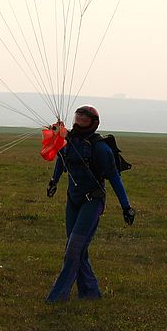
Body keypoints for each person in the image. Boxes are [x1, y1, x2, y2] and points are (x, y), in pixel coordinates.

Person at [44, 104, 136, 302]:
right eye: (77, 118)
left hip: (92, 201)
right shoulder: (69, 142)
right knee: (78, 249)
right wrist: (54, 181)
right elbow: (62, 160)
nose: (79, 122)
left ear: (93, 124)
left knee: (73, 249)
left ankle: (57, 297)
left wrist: (126, 207)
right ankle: (90, 293)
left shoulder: (100, 148)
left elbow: (114, 178)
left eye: (83, 120)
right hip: (73, 200)